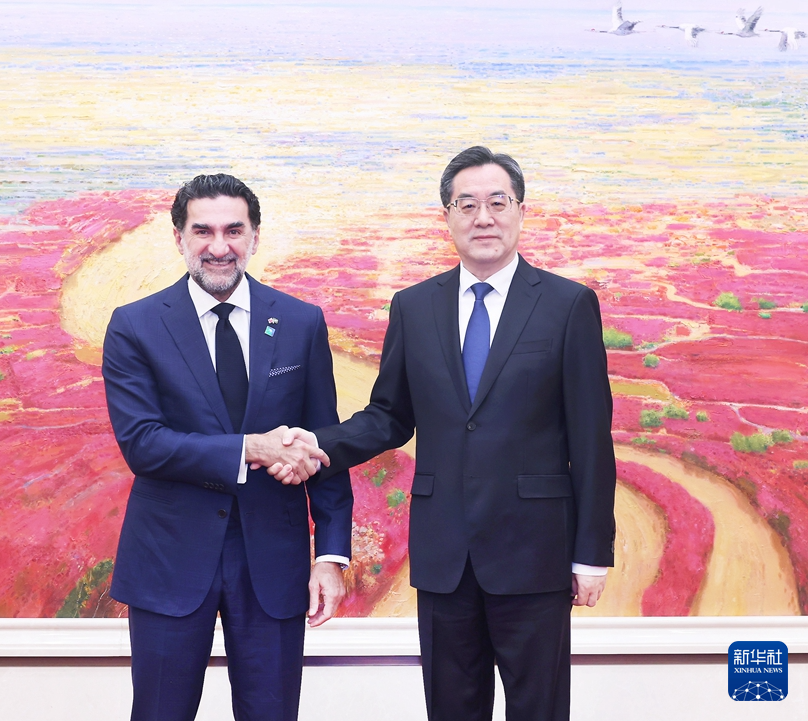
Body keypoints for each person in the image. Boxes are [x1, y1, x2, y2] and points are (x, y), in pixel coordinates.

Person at [276, 147, 616, 721]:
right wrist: (317, 445)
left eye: (497, 203)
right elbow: (389, 416)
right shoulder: (414, 307)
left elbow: (591, 439)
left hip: (536, 553)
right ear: (448, 217)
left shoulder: (567, 305)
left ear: (521, 211)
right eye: (467, 205)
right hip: (445, 556)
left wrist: (591, 554)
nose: (484, 217)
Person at [102, 173, 353, 721]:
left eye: (234, 230)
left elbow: (323, 446)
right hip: (169, 559)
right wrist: (252, 449)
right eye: (204, 231)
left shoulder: (300, 322)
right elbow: (143, 445)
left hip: (274, 562)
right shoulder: (134, 327)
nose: (219, 247)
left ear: (255, 236)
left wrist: (332, 556)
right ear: (179, 237)